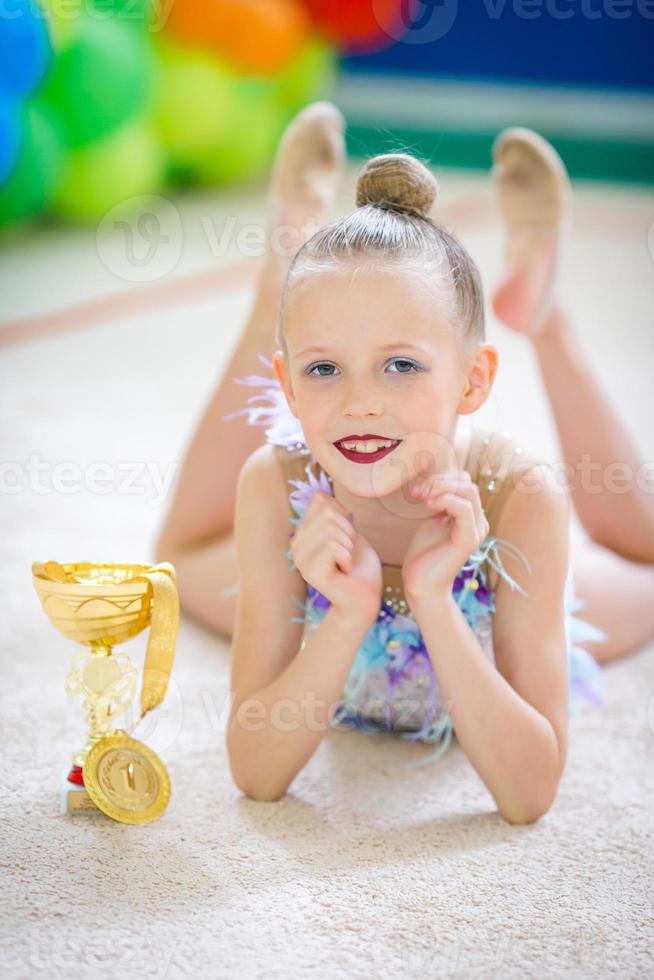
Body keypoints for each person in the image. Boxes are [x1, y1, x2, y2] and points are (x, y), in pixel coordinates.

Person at [155, 102, 654, 821]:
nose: (360, 404)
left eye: (400, 365)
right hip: (314, 543)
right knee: (173, 561)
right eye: (323, 369)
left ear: (474, 381)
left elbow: (530, 793)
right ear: (288, 384)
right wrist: (348, 611)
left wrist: (432, 598)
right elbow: (256, 772)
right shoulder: (278, 484)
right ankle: (279, 279)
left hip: (507, 579)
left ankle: (545, 320)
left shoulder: (520, 499)